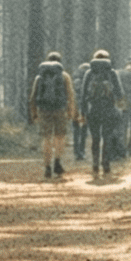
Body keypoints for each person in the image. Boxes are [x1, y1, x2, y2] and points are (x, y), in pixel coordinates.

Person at [75, 49, 125, 178]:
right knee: (107, 137)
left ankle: (95, 166)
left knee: (95, 139)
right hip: (109, 109)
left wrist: (83, 112)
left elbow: (83, 94)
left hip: (93, 110)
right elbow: (120, 93)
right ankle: (106, 166)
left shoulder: (89, 72)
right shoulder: (112, 72)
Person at [27, 51, 75, 179]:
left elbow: (33, 97)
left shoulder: (39, 77)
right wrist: (71, 111)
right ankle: (57, 162)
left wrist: (34, 113)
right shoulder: (65, 76)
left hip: (44, 110)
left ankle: (47, 167)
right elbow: (70, 95)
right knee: (60, 137)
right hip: (60, 109)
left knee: (46, 139)